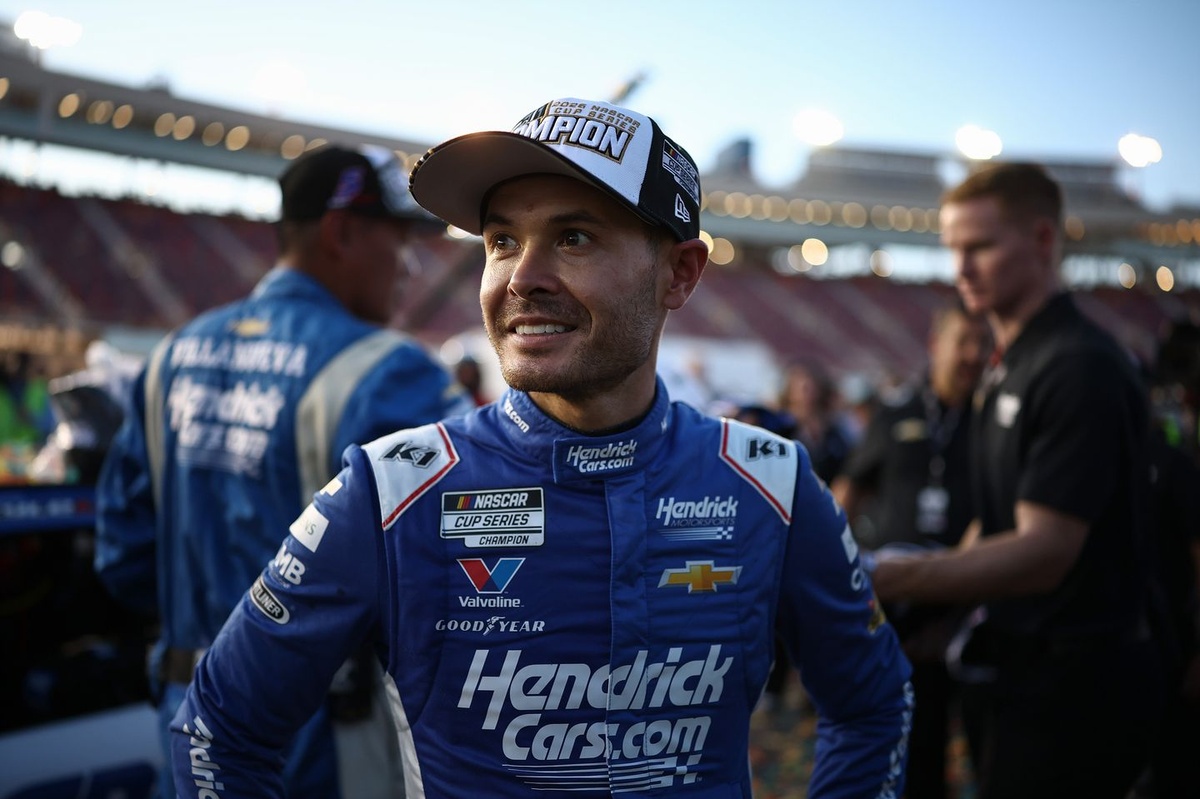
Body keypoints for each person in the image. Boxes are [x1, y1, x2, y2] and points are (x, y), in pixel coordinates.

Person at [168, 97, 914, 798]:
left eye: (573, 237)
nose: (522, 279)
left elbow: (874, 704)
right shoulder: (389, 491)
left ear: (679, 273)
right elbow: (217, 728)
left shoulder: (770, 483)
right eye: (502, 241)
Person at [94, 144, 471, 799]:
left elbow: (123, 558)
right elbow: (477, 574)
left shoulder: (171, 359)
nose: (410, 265)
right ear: (341, 232)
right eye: (401, 239)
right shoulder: (391, 372)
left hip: (187, 733)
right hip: (329, 747)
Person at [868, 162, 1165, 798]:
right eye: (953, 249)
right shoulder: (1009, 367)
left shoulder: (1077, 365)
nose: (961, 268)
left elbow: (1044, 551)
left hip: (1079, 682)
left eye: (980, 246)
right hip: (1017, 664)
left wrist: (891, 576)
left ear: (1041, 240)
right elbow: (995, 520)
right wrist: (939, 609)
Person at [831, 301, 990, 799]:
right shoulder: (896, 410)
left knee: (975, 748)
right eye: (964, 341)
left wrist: (957, 612)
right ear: (935, 344)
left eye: (983, 343)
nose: (974, 354)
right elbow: (849, 491)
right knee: (894, 740)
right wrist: (833, 566)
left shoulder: (994, 419)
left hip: (970, 603)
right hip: (890, 604)